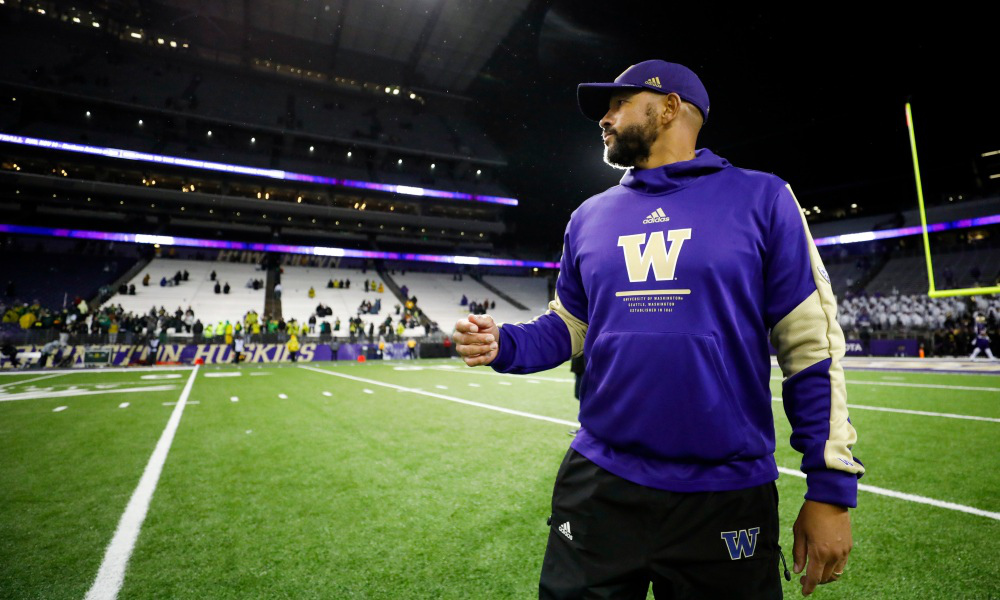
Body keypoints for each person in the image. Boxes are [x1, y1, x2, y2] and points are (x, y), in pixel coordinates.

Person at [451, 60, 863, 599]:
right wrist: (505, 343)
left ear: (669, 106)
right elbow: (571, 324)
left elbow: (811, 347)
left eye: (618, 102)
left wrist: (829, 491)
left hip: (725, 491)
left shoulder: (763, 199)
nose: (605, 117)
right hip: (599, 480)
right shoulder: (589, 216)